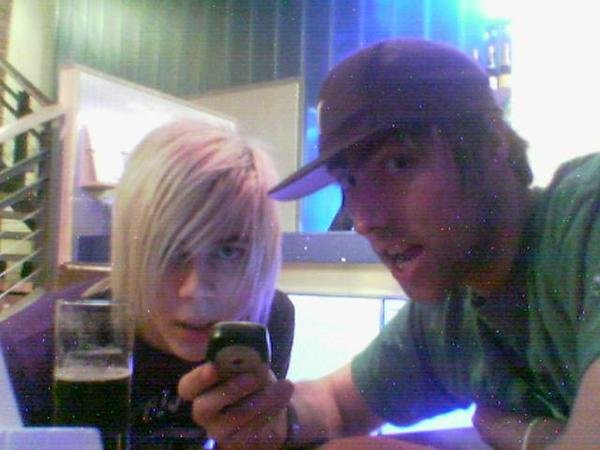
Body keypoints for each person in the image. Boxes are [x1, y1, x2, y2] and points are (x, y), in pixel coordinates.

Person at [177, 39, 600, 450]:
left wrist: (525, 437)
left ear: (491, 141)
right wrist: (272, 416)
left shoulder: (585, 216)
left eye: (398, 163)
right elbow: (335, 403)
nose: (364, 221)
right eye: (349, 181)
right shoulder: (449, 315)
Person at [0, 120, 295, 449]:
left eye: (229, 251)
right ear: (131, 248)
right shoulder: (28, 355)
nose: (195, 290)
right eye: (169, 251)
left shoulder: (265, 320)